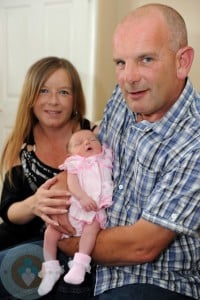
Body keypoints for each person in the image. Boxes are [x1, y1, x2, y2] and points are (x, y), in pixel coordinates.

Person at [58, 3, 200, 300]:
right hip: (89, 256)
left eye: (146, 59)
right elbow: (94, 158)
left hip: (154, 281)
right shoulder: (126, 96)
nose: (128, 77)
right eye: (121, 63)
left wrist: (66, 241)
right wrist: (57, 197)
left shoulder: (194, 140)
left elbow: (141, 246)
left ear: (182, 62)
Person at [0, 56, 97, 299]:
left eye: (63, 92)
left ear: (75, 98)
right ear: (31, 97)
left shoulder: (93, 135)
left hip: (72, 240)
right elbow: (8, 210)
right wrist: (33, 204)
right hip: (24, 233)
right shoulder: (21, 145)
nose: (53, 101)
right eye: (44, 90)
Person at [38, 130, 113, 296]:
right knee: (51, 231)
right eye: (79, 143)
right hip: (77, 208)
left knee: (91, 228)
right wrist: (82, 197)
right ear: (70, 153)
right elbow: (72, 184)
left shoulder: (106, 158)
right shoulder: (74, 164)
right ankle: (51, 267)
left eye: (92, 140)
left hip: (95, 209)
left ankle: (80, 264)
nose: (87, 143)